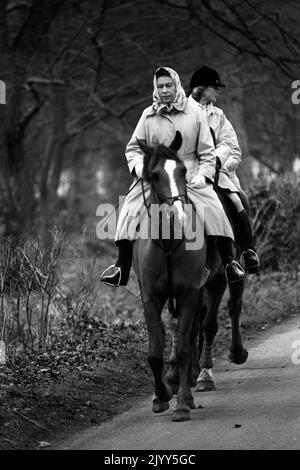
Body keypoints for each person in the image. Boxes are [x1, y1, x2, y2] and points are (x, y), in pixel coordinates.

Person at [100, 66, 246, 287]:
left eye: (168, 85)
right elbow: (133, 149)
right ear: (155, 88)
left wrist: (204, 176)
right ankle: (121, 266)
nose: (165, 90)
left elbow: (207, 151)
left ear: (176, 85)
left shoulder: (195, 112)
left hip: (190, 173)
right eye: (160, 86)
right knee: (127, 208)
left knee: (215, 207)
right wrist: (140, 167)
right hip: (156, 175)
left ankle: (228, 262)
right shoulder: (147, 115)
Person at [187, 65, 260, 274]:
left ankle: (246, 251)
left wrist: (217, 162)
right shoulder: (180, 111)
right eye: (214, 87)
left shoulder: (218, 115)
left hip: (216, 174)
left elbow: (233, 149)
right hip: (185, 174)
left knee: (239, 201)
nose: (218, 91)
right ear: (201, 88)